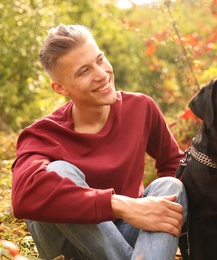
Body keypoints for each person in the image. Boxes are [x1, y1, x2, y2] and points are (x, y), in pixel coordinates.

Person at [11, 24, 187, 260]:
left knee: (171, 186)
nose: (102, 74)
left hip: (125, 231)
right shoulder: (43, 134)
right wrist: (122, 205)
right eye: (84, 71)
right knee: (58, 172)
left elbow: (174, 163)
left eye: (100, 59)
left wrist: (147, 213)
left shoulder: (141, 108)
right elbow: (23, 197)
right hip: (69, 244)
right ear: (60, 88)